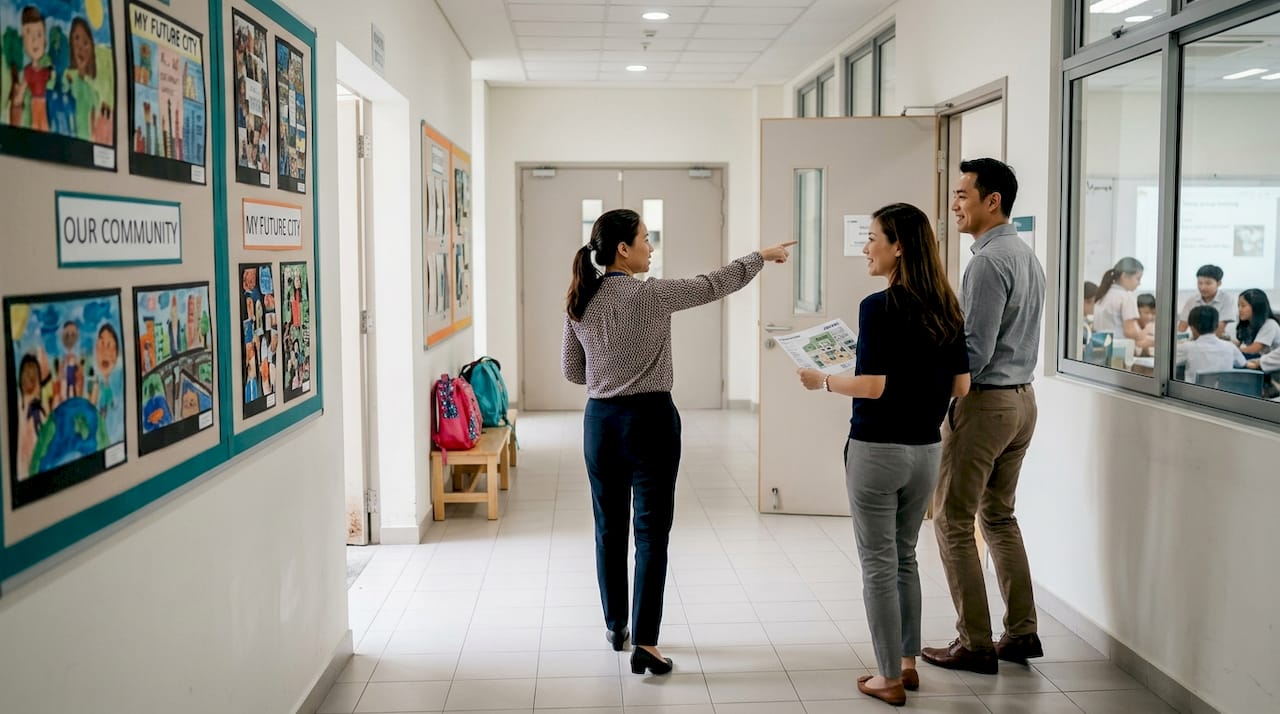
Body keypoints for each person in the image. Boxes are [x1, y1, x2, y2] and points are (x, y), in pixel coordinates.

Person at [562, 208, 794, 676]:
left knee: (609, 527)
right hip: (651, 422)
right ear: (623, 250)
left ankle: (615, 626)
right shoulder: (652, 295)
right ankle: (646, 641)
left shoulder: (579, 301)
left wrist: (608, 374)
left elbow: (572, 371)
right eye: (646, 239)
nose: (651, 247)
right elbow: (714, 284)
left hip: (601, 423)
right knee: (650, 533)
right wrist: (759, 258)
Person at [797, 203, 969, 706]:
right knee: (904, 557)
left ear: (898, 246)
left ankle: (887, 678)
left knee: (877, 563)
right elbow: (960, 385)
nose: (866, 247)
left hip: (877, 450)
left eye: (872, 238)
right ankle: (908, 665)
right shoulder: (947, 305)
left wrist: (823, 379)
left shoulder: (879, 307)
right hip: (926, 451)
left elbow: (871, 386)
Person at [923, 158, 1046, 675]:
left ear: (992, 200)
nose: (955, 205)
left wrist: (923, 386)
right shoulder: (1024, 254)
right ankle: (1021, 633)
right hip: (1022, 403)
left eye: (962, 195)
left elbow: (974, 349)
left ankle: (973, 642)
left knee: (952, 520)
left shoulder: (989, 262)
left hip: (988, 404)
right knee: (997, 515)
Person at [1092, 257, 1154, 354]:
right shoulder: (1127, 297)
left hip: (1099, 350)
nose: (1139, 283)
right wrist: (1147, 330)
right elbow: (1129, 332)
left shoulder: (1103, 294)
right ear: (1124, 276)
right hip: (1118, 352)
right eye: (1138, 278)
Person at [1178, 306, 1244, 383]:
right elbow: (1242, 363)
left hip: (1193, 393)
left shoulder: (1186, 348)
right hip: (1223, 393)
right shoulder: (1230, 347)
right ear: (1216, 326)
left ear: (1192, 327)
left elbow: (1165, 361)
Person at [1177, 265, 1234, 337]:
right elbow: (1182, 327)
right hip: (1195, 342)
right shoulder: (1192, 300)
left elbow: (1219, 329)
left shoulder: (1226, 299)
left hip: (1219, 341)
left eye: (1208, 283)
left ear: (1219, 283)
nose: (1202, 287)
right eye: (1200, 283)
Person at [1234, 289, 1280, 356]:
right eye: (1238, 306)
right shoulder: (1248, 324)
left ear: (1257, 307)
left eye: (1243, 306)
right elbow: (1239, 343)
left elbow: (1253, 349)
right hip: (1256, 362)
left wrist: (1231, 351)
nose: (1239, 309)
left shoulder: (1270, 324)